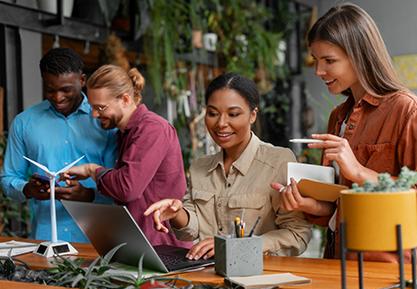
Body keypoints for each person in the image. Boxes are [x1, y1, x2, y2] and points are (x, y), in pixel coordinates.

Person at [275, 3, 417, 262]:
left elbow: (413, 199)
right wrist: (308, 205)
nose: (319, 71)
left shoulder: (406, 110)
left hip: (386, 273)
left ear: (360, 55)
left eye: (329, 61)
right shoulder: (338, 117)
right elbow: (339, 206)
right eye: (316, 60)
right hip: (337, 260)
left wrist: (359, 171)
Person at [144, 73, 312, 260]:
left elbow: (297, 235)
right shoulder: (199, 167)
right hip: (208, 278)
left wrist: (238, 247)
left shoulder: (279, 161)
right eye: (213, 113)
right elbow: (192, 229)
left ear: (253, 115)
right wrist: (177, 213)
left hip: (260, 278)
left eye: (233, 114)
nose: (221, 124)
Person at [62, 64, 190, 248]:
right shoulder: (124, 133)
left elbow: (127, 189)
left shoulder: (152, 129)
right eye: (92, 107)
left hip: (162, 246)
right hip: (140, 243)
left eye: (101, 107)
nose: (95, 114)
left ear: (125, 99)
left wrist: (92, 170)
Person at [1, 48, 117, 242]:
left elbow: (123, 184)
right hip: (46, 241)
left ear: (82, 80)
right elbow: (8, 178)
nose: (57, 97)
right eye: (50, 89)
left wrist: (90, 195)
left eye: (66, 89)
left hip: (100, 242)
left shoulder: (105, 120)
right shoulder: (24, 123)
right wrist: (28, 189)